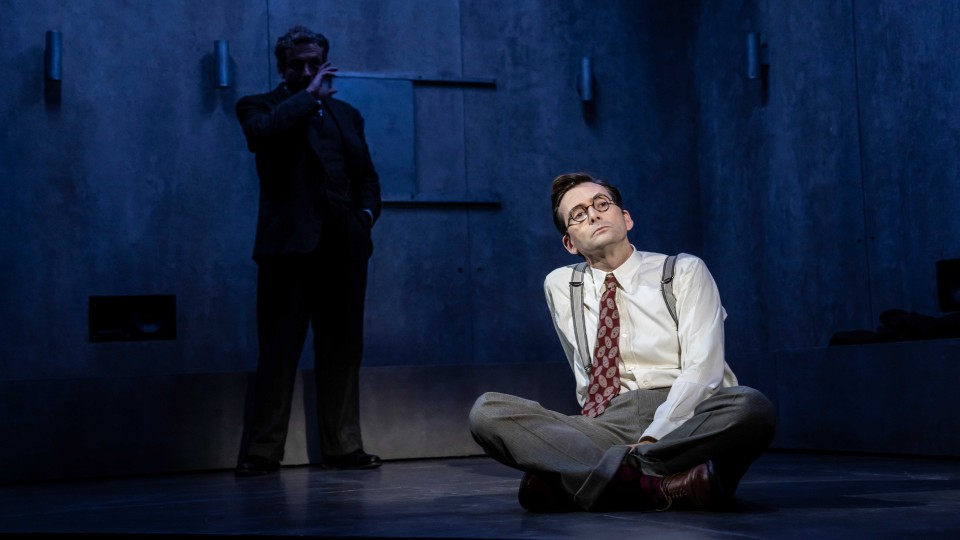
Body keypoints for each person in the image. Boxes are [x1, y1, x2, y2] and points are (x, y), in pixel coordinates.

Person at [469, 172, 776, 512]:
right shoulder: (560, 285)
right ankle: (664, 487)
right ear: (570, 243)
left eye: (602, 204)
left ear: (625, 218)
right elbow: (583, 371)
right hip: (610, 422)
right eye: (578, 214)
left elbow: (703, 371)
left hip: (689, 417)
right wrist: (590, 433)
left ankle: (587, 479)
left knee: (751, 406)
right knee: (488, 411)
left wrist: (650, 437)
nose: (594, 214)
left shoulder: (683, 270)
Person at [234, 25, 382, 475]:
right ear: (282, 66)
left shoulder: (348, 115)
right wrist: (308, 97)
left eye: (314, 63)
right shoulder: (260, 106)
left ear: (324, 62)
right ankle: (262, 452)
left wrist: (366, 217)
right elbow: (262, 135)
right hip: (288, 251)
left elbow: (367, 177)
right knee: (278, 351)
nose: (306, 71)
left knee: (343, 350)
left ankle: (344, 446)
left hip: (344, 248)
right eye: (296, 64)